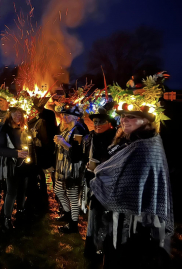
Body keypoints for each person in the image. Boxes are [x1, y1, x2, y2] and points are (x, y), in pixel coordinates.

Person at [89, 103, 174, 268]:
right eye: (122, 116)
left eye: (131, 117)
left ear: (145, 121)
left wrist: (99, 178)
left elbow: (131, 182)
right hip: (120, 218)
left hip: (136, 221)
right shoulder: (129, 142)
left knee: (126, 257)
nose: (124, 120)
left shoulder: (146, 147)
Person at [82, 105, 117, 260]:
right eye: (95, 121)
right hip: (92, 182)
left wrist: (99, 166)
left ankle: (101, 248)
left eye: (101, 121)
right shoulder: (91, 137)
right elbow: (84, 156)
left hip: (108, 185)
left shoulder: (115, 139)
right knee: (94, 215)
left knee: (104, 217)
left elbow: (116, 161)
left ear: (109, 123)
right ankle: (93, 247)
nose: (97, 124)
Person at [0, 106, 33, 230]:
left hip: (24, 166)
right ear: (10, 115)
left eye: (20, 114)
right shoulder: (4, 129)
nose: (18, 116)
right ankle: (7, 218)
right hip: (11, 165)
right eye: (15, 114)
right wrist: (16, 153)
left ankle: (20, 212)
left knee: (23, 190)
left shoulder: (24, 129)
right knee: (11, 192)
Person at [53, 103, 88, 233]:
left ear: (76, 117)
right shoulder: (68, 128)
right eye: (63, 114)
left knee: (73, 197)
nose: (64, 117)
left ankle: (73, 225)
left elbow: (77, 152)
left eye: (68, 115)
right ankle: (67, 214)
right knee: (58, 190)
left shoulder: (79, 130)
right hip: (63, 168)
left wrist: (62, 143)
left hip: (73, 169)